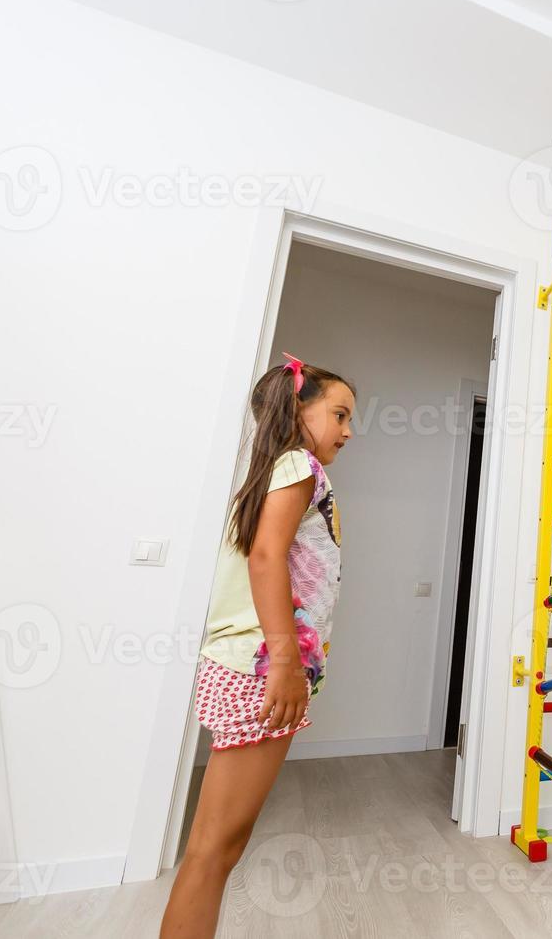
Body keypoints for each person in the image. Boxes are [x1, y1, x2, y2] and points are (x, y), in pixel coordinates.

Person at [160, 353, 354, 937]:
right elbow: (267, 557)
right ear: (300, 410)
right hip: (259, 667)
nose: (348, 432)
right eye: (340, 415)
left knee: (222, 846)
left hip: (252, 665)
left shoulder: (277, 470)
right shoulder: (297, 466)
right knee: (212, 850)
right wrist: (287, 661)